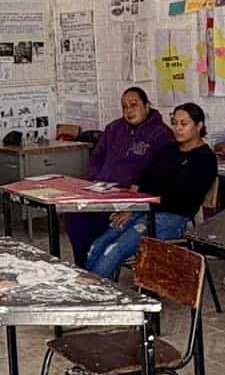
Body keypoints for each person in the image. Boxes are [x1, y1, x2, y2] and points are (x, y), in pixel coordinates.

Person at [86, 103, 217, 281]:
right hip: (146, 208)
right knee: (97, 245)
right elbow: (147, 180)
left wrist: (144, 205)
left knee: (114, 249)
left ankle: (92, 292)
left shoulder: (205, 159)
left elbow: (181, 200)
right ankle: (84, 289)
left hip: (173, 217)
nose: (178, 128)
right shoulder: (170, 149)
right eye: (175, 123)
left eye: (184, 124)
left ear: (199, 126)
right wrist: (132, 207)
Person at [65, 87, 173, 267]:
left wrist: (134, 198)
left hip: (131, 197)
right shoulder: (113, 128)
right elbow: (96, 159)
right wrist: (96, 181)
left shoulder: (161, 134)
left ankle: (95, 263)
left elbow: (157, 173)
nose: (128, 110)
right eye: (124, 106)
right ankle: (82, 266)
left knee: (99, 224)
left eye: (134, 105)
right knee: (74, 216)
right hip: (102, 192)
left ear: (147, 106)